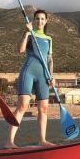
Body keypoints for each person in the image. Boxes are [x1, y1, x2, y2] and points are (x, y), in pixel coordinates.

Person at [5, 9, 55, 148]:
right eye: (37, 18)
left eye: (42, 19)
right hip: (28, 72)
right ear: (34, 20)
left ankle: (42, 140)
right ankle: (9, 142)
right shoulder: (30, 34)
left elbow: (50, 59)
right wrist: (26, 32)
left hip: (43, 75)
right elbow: (20, 50)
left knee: (44, 108)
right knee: (22, 106)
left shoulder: (49, 39)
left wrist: (51, 75)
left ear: (46, 21)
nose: (40, 21)